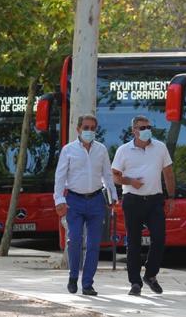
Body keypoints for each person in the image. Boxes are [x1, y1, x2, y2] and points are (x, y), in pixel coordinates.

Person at [53, 114, 118, 296]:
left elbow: (107, 174)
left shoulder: (101, 149)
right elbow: (60, 176)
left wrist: (112, 196)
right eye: (86, 127)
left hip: (96, 200)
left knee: (93, 244)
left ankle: (87, 283)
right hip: (74, 200)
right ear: (78, 129)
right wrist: (59, 200)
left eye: (92, 128)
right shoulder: (68, 150)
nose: (89, 131)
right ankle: (73, 276)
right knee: (74, 240)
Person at [111, 115, 175, 296]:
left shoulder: (160, 147)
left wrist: (171, 197)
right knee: (134, 242)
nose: (146, 130)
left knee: (159, 238)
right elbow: (114, 175)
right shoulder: (124, 150)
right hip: (132, 200)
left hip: (155, 200)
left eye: (148, 126)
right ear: (134, 131)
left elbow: (168, 173)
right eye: (142, 127)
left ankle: (151, 274)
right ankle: (135, 282)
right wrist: (129, 181)